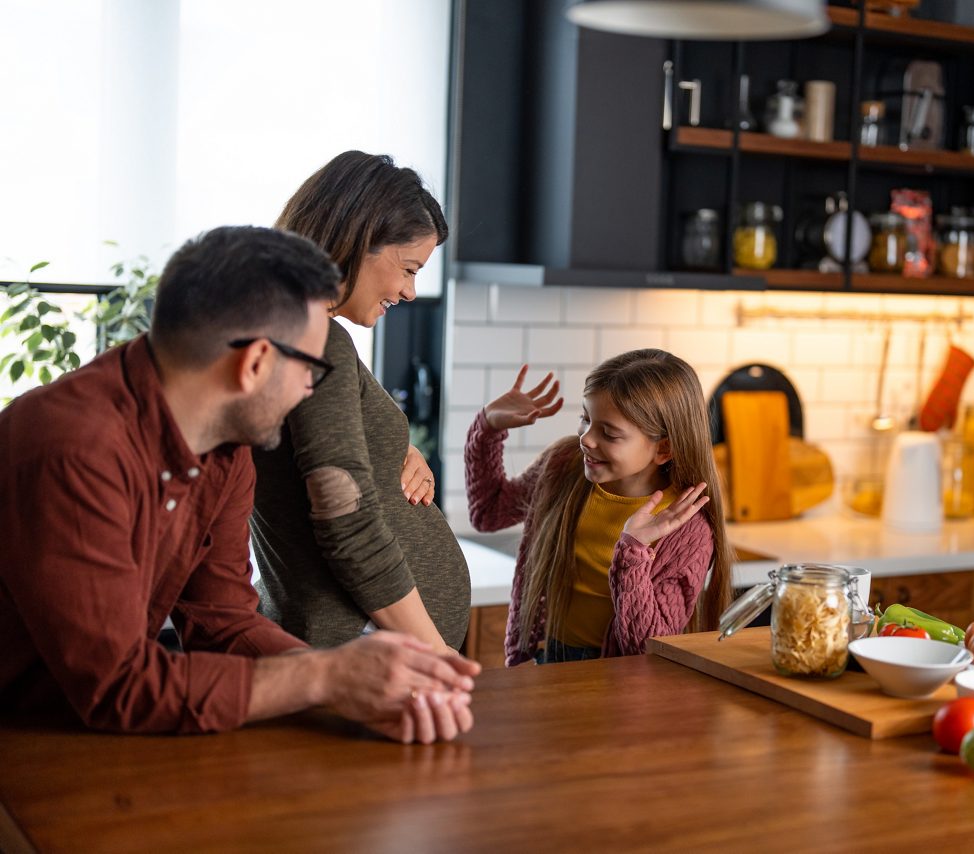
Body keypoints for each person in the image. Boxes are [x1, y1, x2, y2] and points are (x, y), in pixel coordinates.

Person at [0, 226, 478, 743]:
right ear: (253, 364)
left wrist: (352, 686)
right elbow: (118, 686)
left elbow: (221, 621)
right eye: (311, 370)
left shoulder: (226, 451)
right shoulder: (74, 448)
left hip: (92, 735)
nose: (310, 390)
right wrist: (324, 676)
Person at [250, 151, 470, 652]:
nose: (411, 292)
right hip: (370, 643)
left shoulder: (279, 329)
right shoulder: (313, 336)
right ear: (357, 239)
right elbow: (345, 519)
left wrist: (396, 451)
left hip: (358, 638)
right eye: (409, 268)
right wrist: (437, 654)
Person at [465, 349, 733, 665]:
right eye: (585, 418)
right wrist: (488, 429)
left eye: (609, 433)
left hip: (616, 678)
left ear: (664, 448)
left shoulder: (687, 528)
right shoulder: (564, 466)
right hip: (547, 658)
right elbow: (489, 513)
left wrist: (633, 552)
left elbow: (645, 648)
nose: (587, 439)